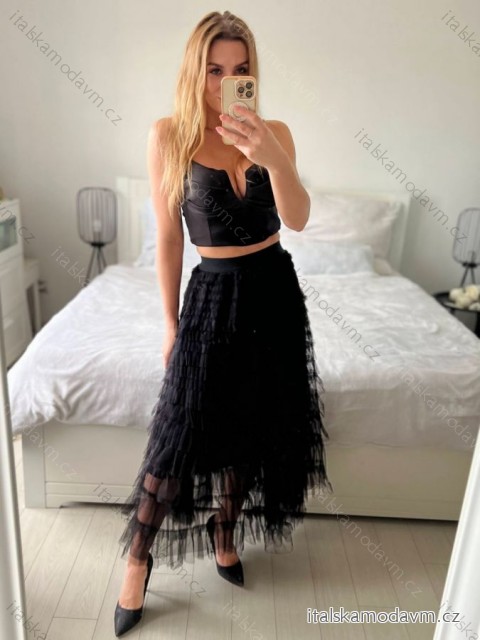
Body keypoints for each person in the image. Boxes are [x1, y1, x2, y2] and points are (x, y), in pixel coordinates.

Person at [114, 10, 332, 637]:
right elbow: (167, 240)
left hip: (274, 291)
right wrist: (169, 322)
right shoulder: (169, 136)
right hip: (212, 294)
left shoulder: (275, 133)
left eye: (239, 70)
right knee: (177, 436)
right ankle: (138, 558)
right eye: (214, 70)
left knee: (253, 426)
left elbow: (298, 219)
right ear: (196, 71)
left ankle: (225, 532)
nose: (225, 82)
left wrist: (272, 158)